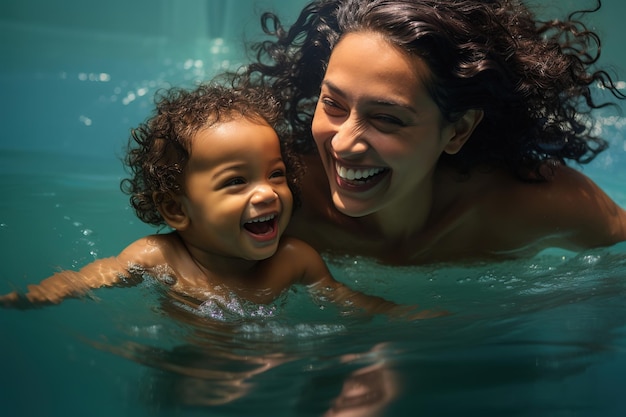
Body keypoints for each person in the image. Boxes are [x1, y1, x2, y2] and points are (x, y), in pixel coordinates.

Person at [243, 0, 626, 265]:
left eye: (387, 119)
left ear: (457, 130)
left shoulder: (529, 208)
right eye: (333, 104)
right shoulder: (278, 205)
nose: (343, 143)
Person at [0, 82, 421, 317]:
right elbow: (95, 276)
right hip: (183, 363)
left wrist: (401, 315)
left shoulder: (295, 260)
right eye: (235, 182)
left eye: (275, 175)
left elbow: (349, 302)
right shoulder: (159, 258)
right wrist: (48, 291)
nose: (266, 192)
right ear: (176, 209)